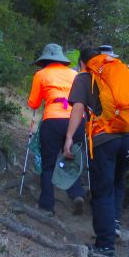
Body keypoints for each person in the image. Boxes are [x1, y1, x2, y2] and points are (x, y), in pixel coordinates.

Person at [63, 46, 129, 257]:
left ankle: (105, 246)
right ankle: (112, 225)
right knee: (118, 182)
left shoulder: (84, 77)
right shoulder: (122, 74)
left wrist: (69, 137)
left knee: (102, 189)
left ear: (83, 62)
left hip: (104, 139)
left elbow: (78, 108)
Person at [26, 43, 85, 216]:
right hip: (77, 120)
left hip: (53, 120)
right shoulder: (75, 74)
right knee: (72, 158)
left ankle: (47, 205)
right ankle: (76, 194)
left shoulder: (41, 74)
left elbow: (33, 103)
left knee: (49, 163)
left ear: (44, 60)